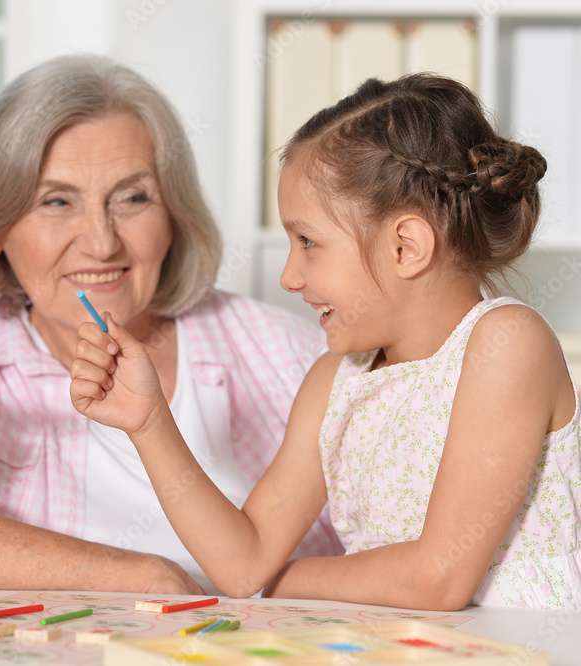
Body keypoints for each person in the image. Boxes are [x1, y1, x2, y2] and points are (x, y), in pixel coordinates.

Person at [70, 73, 581, 610]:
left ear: (406, 246)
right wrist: (149, 421)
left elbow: (437, 581)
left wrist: (288, 581)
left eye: (309, 241)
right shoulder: (335, 383)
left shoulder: (507, 345)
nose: (290, 276)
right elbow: (242, 566)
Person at [0, 55, 342, 593]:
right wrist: (140, 576)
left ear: (173, 215)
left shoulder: (288, 349)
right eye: (57, 201)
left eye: (133, 197)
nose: (102, 243)